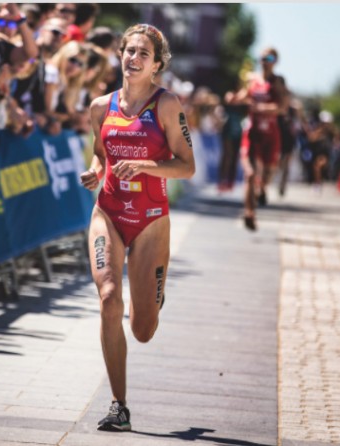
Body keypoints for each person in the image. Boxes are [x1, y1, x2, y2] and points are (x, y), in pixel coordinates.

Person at [78, 23, 195, 432]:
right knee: (109, 296)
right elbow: (100, 153)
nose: (133, 58)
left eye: (143, 53)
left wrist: (144, 165)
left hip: (150, 220)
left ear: (157, 64)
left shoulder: (167, 106)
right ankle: (119, 406)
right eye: (129, 51)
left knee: (142, 329)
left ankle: (150, 294)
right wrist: (95, 172)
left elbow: (187, 166)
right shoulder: (100, 107)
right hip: (108, 213)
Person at [237, 48, 287, 230]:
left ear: (276, 61)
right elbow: (242, 97)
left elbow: (282, 108)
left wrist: (261, 108)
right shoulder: (252, 80)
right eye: (263, 58)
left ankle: (263, 188)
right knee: (250, 174)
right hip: (253, 134)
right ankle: (249, 213)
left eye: (270, 58)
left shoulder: (278, 82)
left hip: (271, 135)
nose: (265, 61)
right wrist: (233, 98)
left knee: (269, 172)